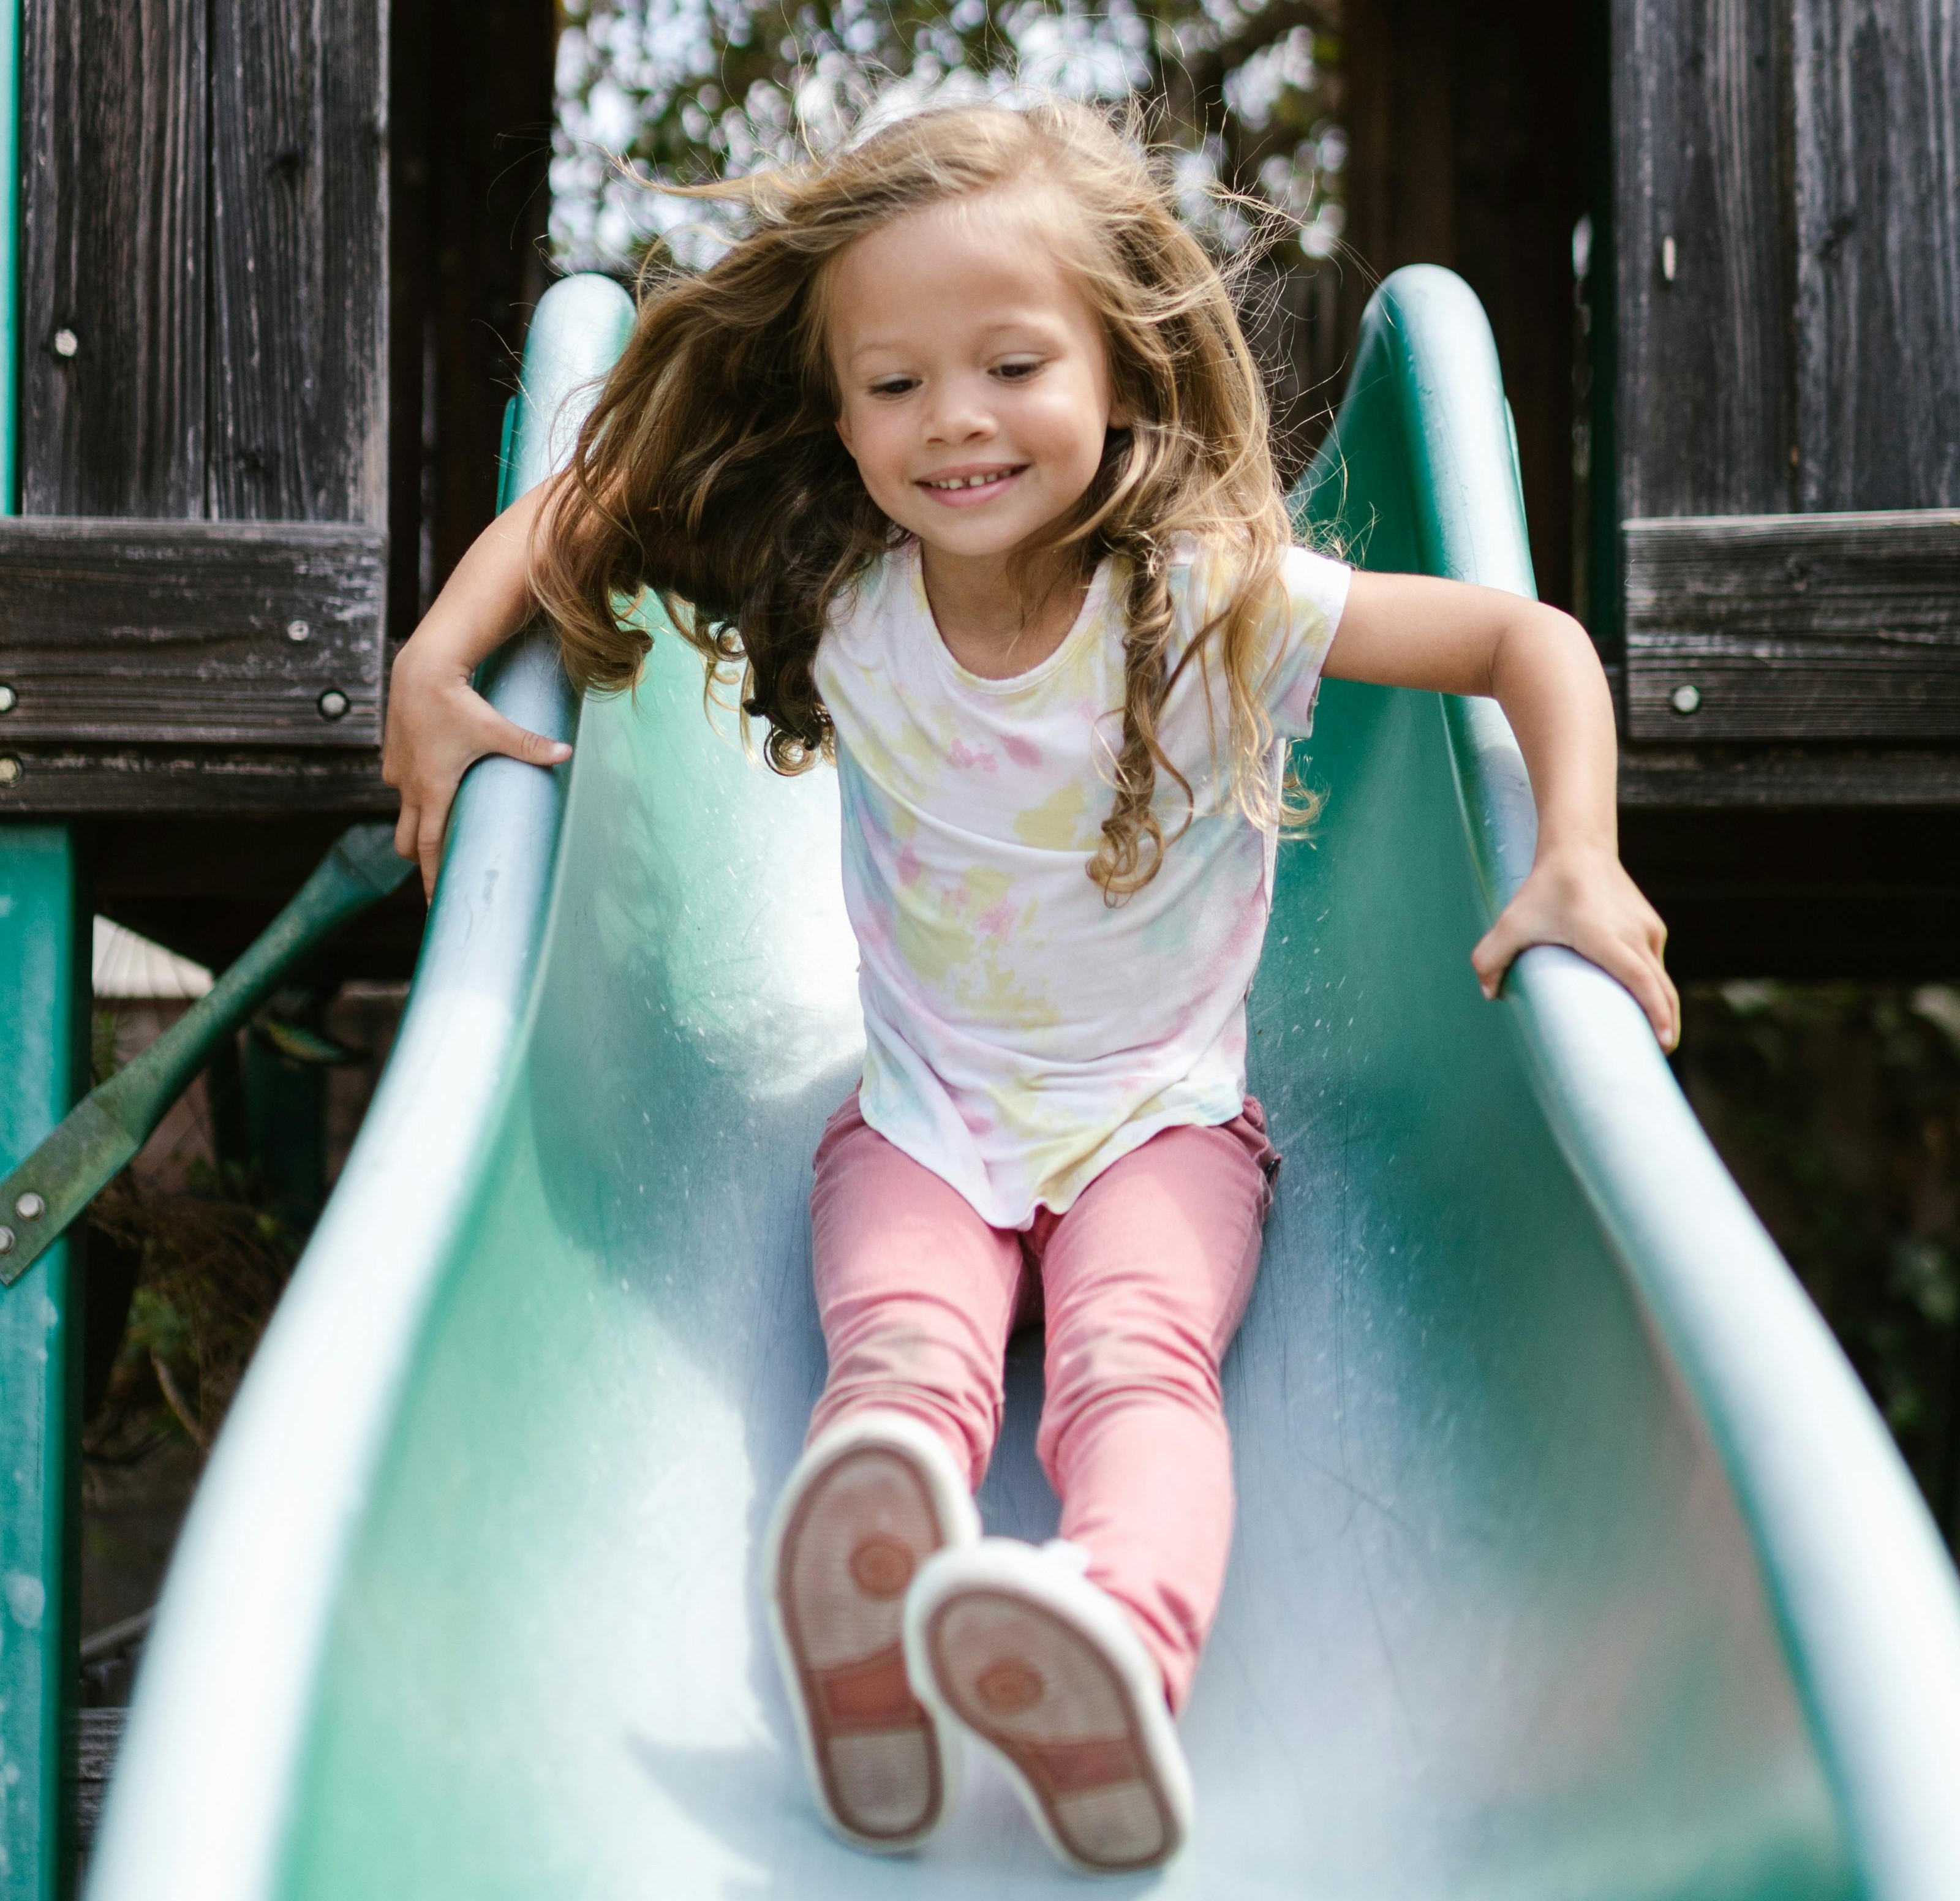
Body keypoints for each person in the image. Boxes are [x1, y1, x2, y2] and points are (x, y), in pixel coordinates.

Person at [382, 99, 1677, 1877]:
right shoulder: (842, 590)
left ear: (1120, 370)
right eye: (895, 384)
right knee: (895, 1353)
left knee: (1140, 1361)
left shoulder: (1214, 602)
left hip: (1161, 1121)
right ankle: (877, 1633)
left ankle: (1110, 1651)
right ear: (835, 413)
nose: (956, 421)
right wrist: (435, 663)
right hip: (921, 1117)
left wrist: (1578, 855)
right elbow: (592, 505)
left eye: (1010, 363)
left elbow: (1526, 641)